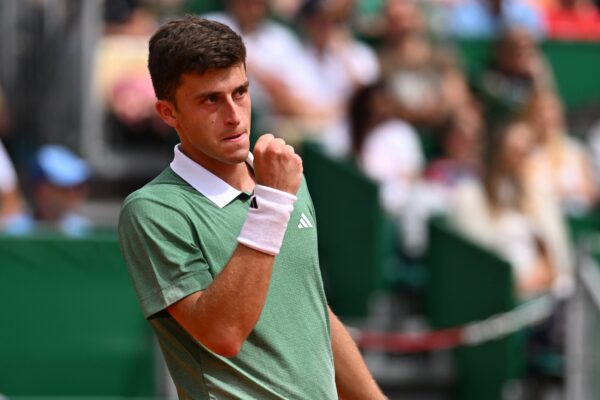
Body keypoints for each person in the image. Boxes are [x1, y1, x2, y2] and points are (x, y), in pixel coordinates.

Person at [117, 16, 386, 399]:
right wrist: (272, 204)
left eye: (241, 92)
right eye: (211, 100)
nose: (233, 115)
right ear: (168, 113)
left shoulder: (284, 178)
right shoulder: (154, 210)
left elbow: (311, 311)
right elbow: (223, 334)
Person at [449, 120, 572, 298]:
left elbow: (556, 255)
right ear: (498, 155)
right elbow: (476, 261)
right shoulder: (471, 196)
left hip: (545, 291)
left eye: (528, 151)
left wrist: (545, 274)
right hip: (499, 295)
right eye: (516, 152)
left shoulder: (540, 194)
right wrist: (517, 282)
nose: (524, 159)